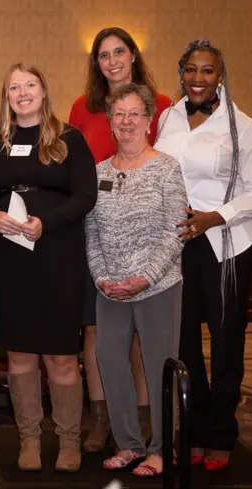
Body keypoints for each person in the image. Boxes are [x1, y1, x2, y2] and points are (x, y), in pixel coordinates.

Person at [155, 40, 252, 471]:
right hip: (178, 242)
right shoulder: (167, 118)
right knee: (183, 338)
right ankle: (197, 425)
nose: (199, 78)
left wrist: (214, 216)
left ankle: (223, 431)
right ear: (181, 72)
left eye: (208, 71)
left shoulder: (242, 125)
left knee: (226, 342)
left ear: (220, 76)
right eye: (192, 70)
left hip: (229, 243)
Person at [0, 64, 96, 472]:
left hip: (59, 254)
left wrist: (47, 223)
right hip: (12, 260)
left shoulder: (68, 139)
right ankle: (29, 439)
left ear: (44, 92)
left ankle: (68, 441)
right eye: (14, 87)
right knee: (20, 354)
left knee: (62, 357)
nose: (22, 92)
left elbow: (85, 196)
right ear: (6, 95)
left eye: (30, 85)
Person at [68, 27, 173, 452]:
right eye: (103, 55)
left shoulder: (162, 105)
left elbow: (162, 168)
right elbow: (73, 168)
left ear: (133, 55)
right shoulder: (82, 108)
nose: (111, 61)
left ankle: (143, 425)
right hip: (96, 234)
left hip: (148, 239)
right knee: (96, 332)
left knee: (141, 341)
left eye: (119, 52)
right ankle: (102, 420)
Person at [86, 84, 187, 477]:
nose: (126, 121)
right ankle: (128, 444)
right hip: (110, 289)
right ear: (110, 122)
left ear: (149, 120)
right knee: (109, 360)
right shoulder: (99, 173)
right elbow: (91, 232)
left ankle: (162, 449)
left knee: (159, 364)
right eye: (118, 114)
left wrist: (145, 278)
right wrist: (101, 278)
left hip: (157, 287)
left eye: (134, 114)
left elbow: (175, 230)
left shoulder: (166, 168)